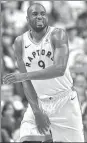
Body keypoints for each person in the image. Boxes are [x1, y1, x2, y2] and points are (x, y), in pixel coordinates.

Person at [3, 3, 84, 142]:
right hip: (39, 102)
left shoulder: (57, 34)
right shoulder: (19, 42)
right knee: (27, 140)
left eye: (43, 13)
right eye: (35, 14)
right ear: (27, 19)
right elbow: (26, 83)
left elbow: (59, 69)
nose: (40, 16)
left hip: (64, 101)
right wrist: (37, 112)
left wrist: (24, 75)